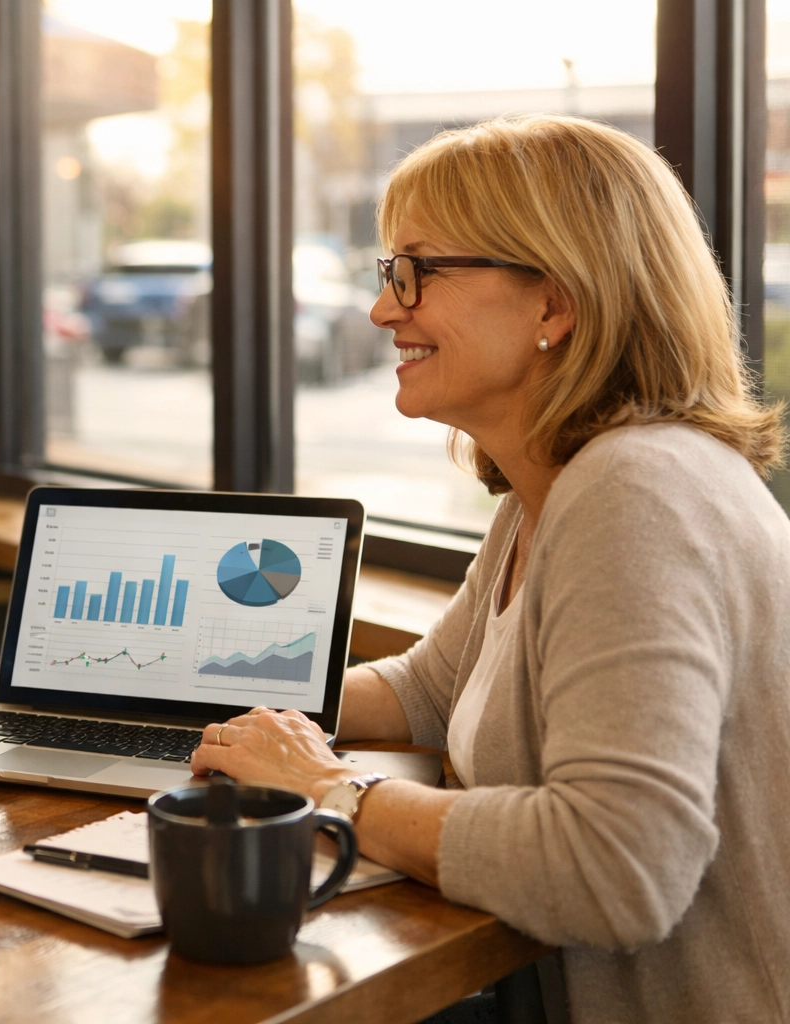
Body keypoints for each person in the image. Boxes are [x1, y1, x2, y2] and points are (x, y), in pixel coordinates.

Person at [191, 115, 790, 1023]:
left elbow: (616, 867)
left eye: (415, 273)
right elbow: (433, 689)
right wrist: (199, 693)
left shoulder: (637, 494)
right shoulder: (545, 488)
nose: (383, 309)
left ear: (554, 304)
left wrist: (328, 790)